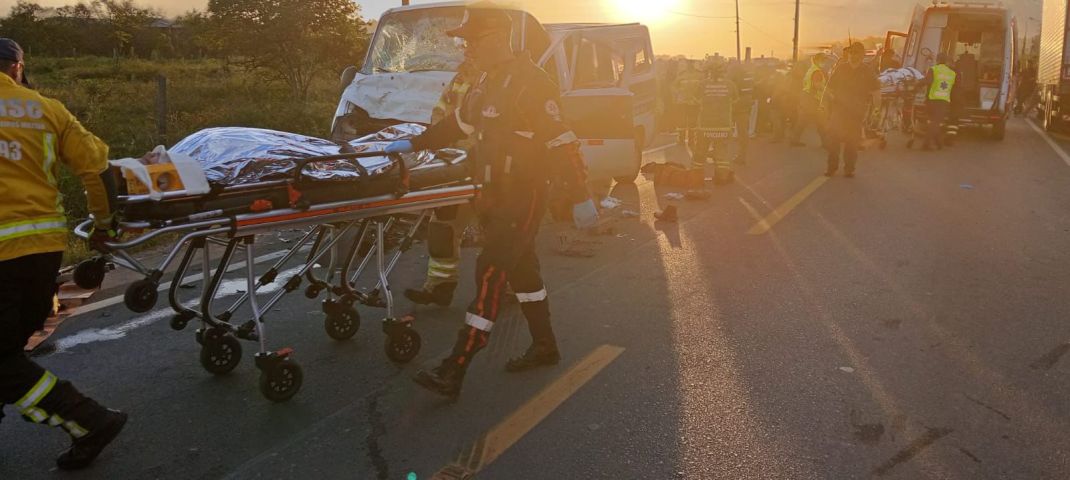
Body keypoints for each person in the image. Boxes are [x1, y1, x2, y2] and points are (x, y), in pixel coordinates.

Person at [383, 3, 598, 399]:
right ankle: (545, 345)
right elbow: (457, 125)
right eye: (465, 43)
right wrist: (415, 142)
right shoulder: (485, 82)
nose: (467, 50)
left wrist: (581, 195)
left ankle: (456, 365)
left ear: (497, 40)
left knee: (488, 273)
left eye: (472, 42)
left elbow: (561, 141)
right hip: (493, 196)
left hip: (524, 196)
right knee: (525, 276)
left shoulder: (531, 83)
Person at [0, 38, 126, 470]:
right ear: (18, 68)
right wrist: (104, 226)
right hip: (41, 250)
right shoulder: (46, 109)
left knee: (3, 363)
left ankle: (89, 420)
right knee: (7, 353)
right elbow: (98, 169)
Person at [404, 59, 481, 307]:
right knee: (442, 228)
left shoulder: (499, 81)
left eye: (472, 42)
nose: (467, 50)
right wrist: (429, 144)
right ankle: (440, 286)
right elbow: (441, 116)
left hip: (487, 165)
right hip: (453, 164)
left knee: (499, 232)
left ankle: (508, 287)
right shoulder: (461, 78)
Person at [823, 42, 879, 177]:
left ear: (862, 54)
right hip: (839, 111)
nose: (853, 55)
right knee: (833, 141)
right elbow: (829, 88)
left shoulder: (867, 71)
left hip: (856, 112)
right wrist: (827, 103)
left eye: (856, 53)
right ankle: (832, 167)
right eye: (851, 52)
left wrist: (876, 110)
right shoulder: (841, 68)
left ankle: (849, 169)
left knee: (852, 143)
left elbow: (876, 91)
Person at [791, 53, 827, 147]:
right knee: (820, 121)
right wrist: (827, 91)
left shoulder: (811, 69)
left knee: (803, 121)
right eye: (823, 60)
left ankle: (794, 139)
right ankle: (826, 142)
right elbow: (817, 85)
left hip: (807, 97)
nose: (824, 62)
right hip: (812, 99)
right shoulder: (817, 72)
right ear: (817, 60)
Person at [923, 52, 956, 151]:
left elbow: (927, 81)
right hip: (944, 101)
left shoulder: (933, 69)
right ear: (946, 61)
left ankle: (935, 144)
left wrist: (916, 85)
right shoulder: (952, 73)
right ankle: (929, 144)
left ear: (937, 60)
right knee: (936, 122)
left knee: (933, 122)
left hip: (932, 100)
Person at [671, 60, 703, 145]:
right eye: (688, 64)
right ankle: (681, 139)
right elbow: (674, 86)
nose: (690, 66)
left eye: (691, 64)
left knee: (693, 122)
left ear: (694, 64)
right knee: (681, 122)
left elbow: (703, 87)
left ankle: (691, 139)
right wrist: (678, 94)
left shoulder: (699, 75)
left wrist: (699, 98)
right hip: (682, 101)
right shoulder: (681, 74)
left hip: (694, 102)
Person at [728, 62, 754, 165]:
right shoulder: (748, 76)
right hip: (745, 106)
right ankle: (742, 155)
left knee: (723, 129)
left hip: (735, 106)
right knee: (743, 132)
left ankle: (718, 153)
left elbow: (730, 91)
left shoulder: (734, 78)